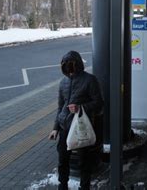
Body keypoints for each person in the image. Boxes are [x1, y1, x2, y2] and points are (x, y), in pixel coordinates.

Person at [48, 51, 104, 190]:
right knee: (63, 159)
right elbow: (60, 107)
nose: (69, 71)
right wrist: (55, 128)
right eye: (66, 68)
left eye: (71, 67)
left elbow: (99, 103)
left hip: (81, 126)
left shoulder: (90, 80)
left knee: (84, 160)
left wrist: (80, 107)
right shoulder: (63, 82)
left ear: (77, 65)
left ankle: (84, 186)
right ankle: (63, 184)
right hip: (64, 127)